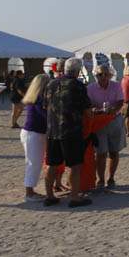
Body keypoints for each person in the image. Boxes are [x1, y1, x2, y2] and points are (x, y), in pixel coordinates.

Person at [43, 57, 93, 208]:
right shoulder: (78, 86)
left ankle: (49, 196)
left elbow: (45, 106)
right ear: (77, 71)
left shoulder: (51, 84)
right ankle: (74, 197)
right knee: (75, 165)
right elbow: (87, 110)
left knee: (52, 164)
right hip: (71, 131)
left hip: (53, 130)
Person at [87, 64, 126, 189]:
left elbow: (120, 101)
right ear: (95, 75)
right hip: (99, 122)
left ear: (110, 75)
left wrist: (113, 110)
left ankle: (111, 178)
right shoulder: (90, 88)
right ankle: (101, 180)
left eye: (106, 74)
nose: (103, 77)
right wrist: (95, 109)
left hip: (114, 120)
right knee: (101, 153)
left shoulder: (116, 85)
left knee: (114, 152)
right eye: (100, 74)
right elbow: (88, 104)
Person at [20, 74, 50, 201]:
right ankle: (29, 192)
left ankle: (30, 190)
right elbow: (45, 115)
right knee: (34, 163)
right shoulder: (38, 99)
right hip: (34, 133)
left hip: (33, 133)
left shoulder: (35, 97)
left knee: (34, 162)